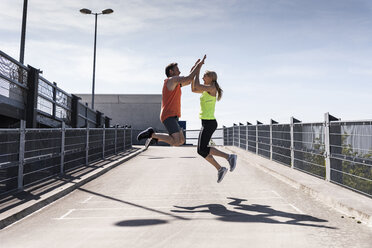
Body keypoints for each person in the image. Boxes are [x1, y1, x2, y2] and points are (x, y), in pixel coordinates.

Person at [191, 55, 237, 183]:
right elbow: (193, 88)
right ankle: (221, 167)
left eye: (204, 76)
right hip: (205, 123)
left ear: (211, 78)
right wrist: (196, 68)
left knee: (202, 149)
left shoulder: (212, 88)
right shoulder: (206, 90)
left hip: (210, 123)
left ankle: (229, 157)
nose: (202, 78)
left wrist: (197, 68)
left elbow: (196, 85)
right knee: (201, 150)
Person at [137, 59, 203, 147]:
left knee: (181, 141)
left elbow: (189, 80)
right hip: (168, 115)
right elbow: (189, 78)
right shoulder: (171, 80)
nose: (179, 72)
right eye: (177, 70)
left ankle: (157, 138)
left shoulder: (176, 83)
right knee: (176, 142)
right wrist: (198, 66)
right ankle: (152, 134)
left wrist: (196, 67)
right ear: (171, 72)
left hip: (174, 116)